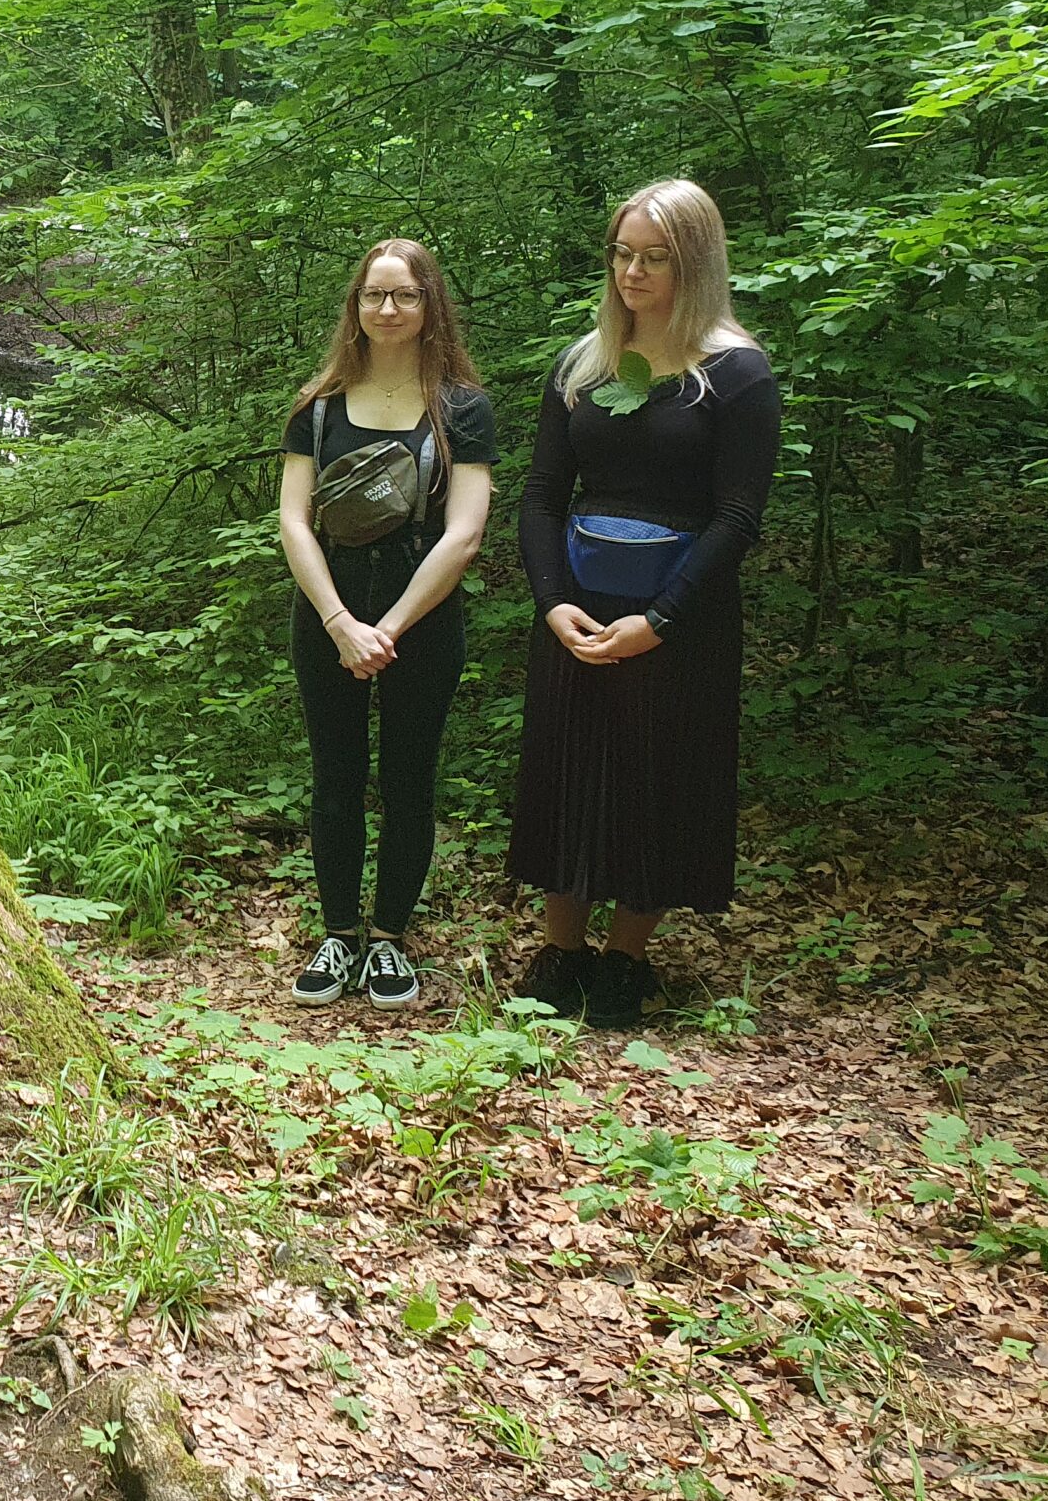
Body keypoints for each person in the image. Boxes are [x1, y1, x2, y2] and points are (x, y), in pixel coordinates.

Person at [508, 178, 781, 1029]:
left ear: (695, 263)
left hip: (681, 616)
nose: (632, 272)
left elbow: (738, 516)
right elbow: (542, 495)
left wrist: (662, 621)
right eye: (623, 253)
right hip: (579, 606)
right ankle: (561, 951)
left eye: (655, 258)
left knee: (657, 778)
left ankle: (627, 958)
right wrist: (552, 603)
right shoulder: (584, 364)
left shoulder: (736, 374)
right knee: (567, 772)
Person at [278, 238, 496, 1008]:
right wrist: (341, 622)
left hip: (423, 616)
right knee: (335, 777)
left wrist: (391, 628)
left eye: (405, 295)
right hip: (328, 607)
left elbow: (464, 533)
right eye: (375, 295)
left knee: (409, 780)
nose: (389, 308)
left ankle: (389, 941)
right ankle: (339, 934)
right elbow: (294, 521)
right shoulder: (319, 406)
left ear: (430, 305)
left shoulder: (461, 410)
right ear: (356, 306)